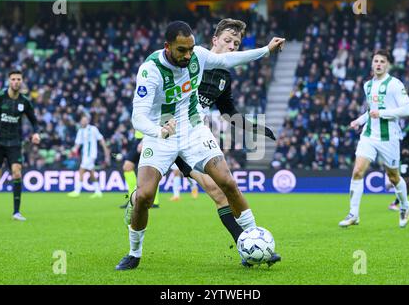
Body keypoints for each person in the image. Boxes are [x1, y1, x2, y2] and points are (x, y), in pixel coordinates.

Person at [115, 20, 285, 270]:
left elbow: (229, 105)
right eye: (228, 41)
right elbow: (138, 116)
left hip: (193, 130)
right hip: (160, 132)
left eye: (236, 43)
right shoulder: (151, 69)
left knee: (224, 185)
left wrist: (266, 50)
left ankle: (253, 240)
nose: (187, 55)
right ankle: (134, 251)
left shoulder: (206, 62)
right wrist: (158, 131)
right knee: (145, 197)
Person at [338, 49, 409, 228]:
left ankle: (404, 206)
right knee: (357, 171)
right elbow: (371, 111)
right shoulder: (368, 85)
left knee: (394, 177)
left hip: (389, 138)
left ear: (388, 65)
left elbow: (407, 110)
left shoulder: (395, 84)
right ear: (372, 64)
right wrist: (359, 120)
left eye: (382, 61)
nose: (378, 64)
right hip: (369, 136)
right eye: (376, 61)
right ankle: (353, 214)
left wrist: (382, 113)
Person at [0, 70, 40, 221]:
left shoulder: (24, 102)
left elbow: (34, 121)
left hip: (14, 143)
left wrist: (36, 133)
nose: (16, 82)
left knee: (17, 172)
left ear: (21, 81)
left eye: (18, 79)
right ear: (9, 81)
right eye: (13, 79)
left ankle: (16, 212)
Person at [68, 114, 110, 198]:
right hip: (85, 155)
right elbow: (77, 144)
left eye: (85, 120)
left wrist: (106, 151)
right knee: (91, 173)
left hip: (91, 154)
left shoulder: (93, 129)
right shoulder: (80, 131)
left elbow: (101, 139)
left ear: (88, 121)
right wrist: (72, 151)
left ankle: (77, 191)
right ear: (80, 121)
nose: (84, 122)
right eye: (82, 120)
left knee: (81, 170)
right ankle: (98, 192)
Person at [119, 130, 160, 208]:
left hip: (147, 138)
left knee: (151, 169)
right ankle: (133, 199)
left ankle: (154, 201)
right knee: (127, 167)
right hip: (139, 138)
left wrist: (143, 140)